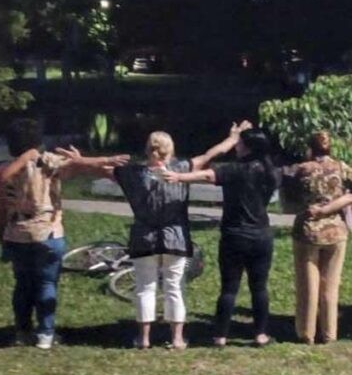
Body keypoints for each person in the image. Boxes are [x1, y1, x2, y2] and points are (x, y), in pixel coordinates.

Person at [64, 123, 248, 349]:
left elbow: (98, 170)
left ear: (147, 149)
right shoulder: (182, 169)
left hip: (144, 236)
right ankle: (178, 338)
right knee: (174, 287)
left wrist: (80, 159)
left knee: (145, 287)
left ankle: (143, 338)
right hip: (176, 237)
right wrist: (233, 138)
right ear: (170, 150)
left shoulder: (132, 173)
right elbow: (211, 154)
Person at [0, 118, 127, 350]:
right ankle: (45, 334)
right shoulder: (47, 162)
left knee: (22, 284)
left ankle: (22, 331)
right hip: (48, 231)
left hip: (17, 233)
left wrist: (1, 236)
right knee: (47, 283)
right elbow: (76, 165)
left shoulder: (6, 167)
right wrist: (105, 161)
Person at [163, 126, 279, 348]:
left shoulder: (235, 169)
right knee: (260, 288)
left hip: (234, 235)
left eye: (241, 143)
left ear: (248, 147)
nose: (237, 146)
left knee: (229, 288)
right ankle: (261, 335)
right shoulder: (269, 172)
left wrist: (179, 176)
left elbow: (207, 174)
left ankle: (220, 336)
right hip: (261, 235)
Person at [284, 131, 352, 345]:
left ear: (310, 148)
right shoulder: (341, 167)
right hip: (336, 232)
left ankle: (306, 333)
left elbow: (285, 188)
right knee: (330, 286)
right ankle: (329, 333)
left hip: (308, 232)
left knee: (307, 286)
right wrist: (342, 201)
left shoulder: (302, 169)